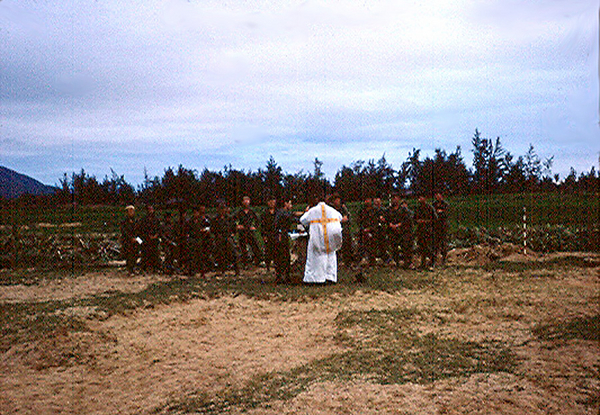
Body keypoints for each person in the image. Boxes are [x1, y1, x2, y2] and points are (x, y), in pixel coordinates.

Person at [300, 196, 343, 284]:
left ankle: (315, 278)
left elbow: (302, 220)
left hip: (317, 238)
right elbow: (340, 217)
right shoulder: (332, 210)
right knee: (330, 257)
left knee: (315, 258)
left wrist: (307, 212)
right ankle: (330, 277)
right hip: (330, 238)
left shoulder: (313, 211)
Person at [386, 194, 415, 269]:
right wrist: (390, 224)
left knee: (405, 247)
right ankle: (396, 262)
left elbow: (407, 219)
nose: (394, 200)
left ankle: (407, 263)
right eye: (393, 198)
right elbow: (386, 218)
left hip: (402, 231)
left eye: (396, 198)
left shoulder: (403, 210)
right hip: (392, 231)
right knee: (394, 247)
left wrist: (399, 225)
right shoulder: (389, 209)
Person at [211, 200, 240, 275]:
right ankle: (222, 269)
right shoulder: (215, 219)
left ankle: (237, 269)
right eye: (221, 209)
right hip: (219, 237)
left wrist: (232, 234)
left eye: (223, 209)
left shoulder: (229, 218)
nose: (222, 211)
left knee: (234, 252)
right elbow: (213, 229)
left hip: (228, 236)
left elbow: (234, 228)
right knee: (220, 252)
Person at [235, 196, 263, 268]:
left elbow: (257, 220)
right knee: (243, 248)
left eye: (248, 200)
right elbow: (233, 220)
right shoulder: (239, 212)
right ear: (242, 202)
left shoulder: (251, 212)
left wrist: (254, 227)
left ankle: (258, 261)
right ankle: (245, 263)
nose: (246, 202)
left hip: (250, 232)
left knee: (255, 246)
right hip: (243, 232)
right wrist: (237, 226)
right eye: (245, 200)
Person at [185, 205, 213, 276]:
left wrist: (203, 231)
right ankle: (192, 271)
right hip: (193, 239)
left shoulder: (202, 220)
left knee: (200, 256)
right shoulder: (190, 221)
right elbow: (188, 230)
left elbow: (207, 227)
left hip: (200, 239)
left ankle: (202, 271)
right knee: (192, 256)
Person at [273, 199, 296, 284]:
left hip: (282, 235)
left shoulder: (281, 212)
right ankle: (282, 276)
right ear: (285, 204)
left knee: (283, 256)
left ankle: (283, 275)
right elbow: (291, 218)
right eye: (290, 204)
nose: (291, 206)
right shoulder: (283, 213)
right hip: (280, 236)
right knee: (283, 256)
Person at [330, 193, 355, 266]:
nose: (338, 201)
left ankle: (348, 260)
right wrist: (340, 220)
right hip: (334, 229)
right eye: (336, 200)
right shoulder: (331, 209)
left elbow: (347, 217)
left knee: (347, 237)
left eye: (338, 200)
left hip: (343, 229)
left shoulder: (343, 208)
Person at [415, 196, 438, 270]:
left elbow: (435, 219)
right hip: (420, 230)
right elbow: (414, 218)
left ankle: (432, 259)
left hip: (428, 230)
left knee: (427, 247)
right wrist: (418, 221)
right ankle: (423, 263)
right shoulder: (418, 209)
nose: (420, 199)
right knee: (421, 247)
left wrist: (425, 222)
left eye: (421, 198)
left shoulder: (430, 208)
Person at [138, 204, 161, 273]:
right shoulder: (144, 220)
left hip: (155, 239)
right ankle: (145, 267)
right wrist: (148, 236)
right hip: (146, 239)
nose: (150, 211)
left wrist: (156, 235)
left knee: (155, 251)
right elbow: (142, 230)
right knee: (145, 251)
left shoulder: (156, 219)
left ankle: (155, 267)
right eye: (149, 209)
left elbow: (159, 229)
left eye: (152, 209)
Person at [357, 198, 378, 265]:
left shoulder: (375, 210)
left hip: (373, 230)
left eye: (368, 199)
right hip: (363, 230)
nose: (367, 201)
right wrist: (363, 229)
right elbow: (359, 221)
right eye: (366, 200)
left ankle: (372, 259)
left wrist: (371, 228)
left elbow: (376, 221)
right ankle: (363, 258)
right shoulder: (361, 210)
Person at [260, 196, 278, 272]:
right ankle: (267, 265)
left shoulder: (277, 212)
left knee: (276, 250)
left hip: (276, 233)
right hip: (268, 233)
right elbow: (262, 225)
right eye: (270, 201)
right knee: (268, 250)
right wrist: (264, 235)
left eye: (273, 201)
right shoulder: (264, 213)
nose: (271, 203)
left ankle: (276, 264)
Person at [120, 205, 138, 274]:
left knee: (136, 254)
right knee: (129, 255)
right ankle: (130, 269)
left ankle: (134, 267)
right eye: (130, 211)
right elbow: (124, 231)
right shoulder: (124, 221)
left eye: (132, 211)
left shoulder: (136, 220)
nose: (131, 212)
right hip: (128, 240)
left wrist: (136, 238)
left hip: (135, 239)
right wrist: (130, 238)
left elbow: (138, 230)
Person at [433, 192, 450, 265]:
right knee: (436, 243)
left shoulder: (445, 204)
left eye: (438, 195)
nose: (437, 196)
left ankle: (444, 258)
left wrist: (441, 212)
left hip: (443, 225)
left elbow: (446, 214)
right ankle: (435, 257)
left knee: (443, 242)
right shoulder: (434, 204)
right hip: (436, 226)